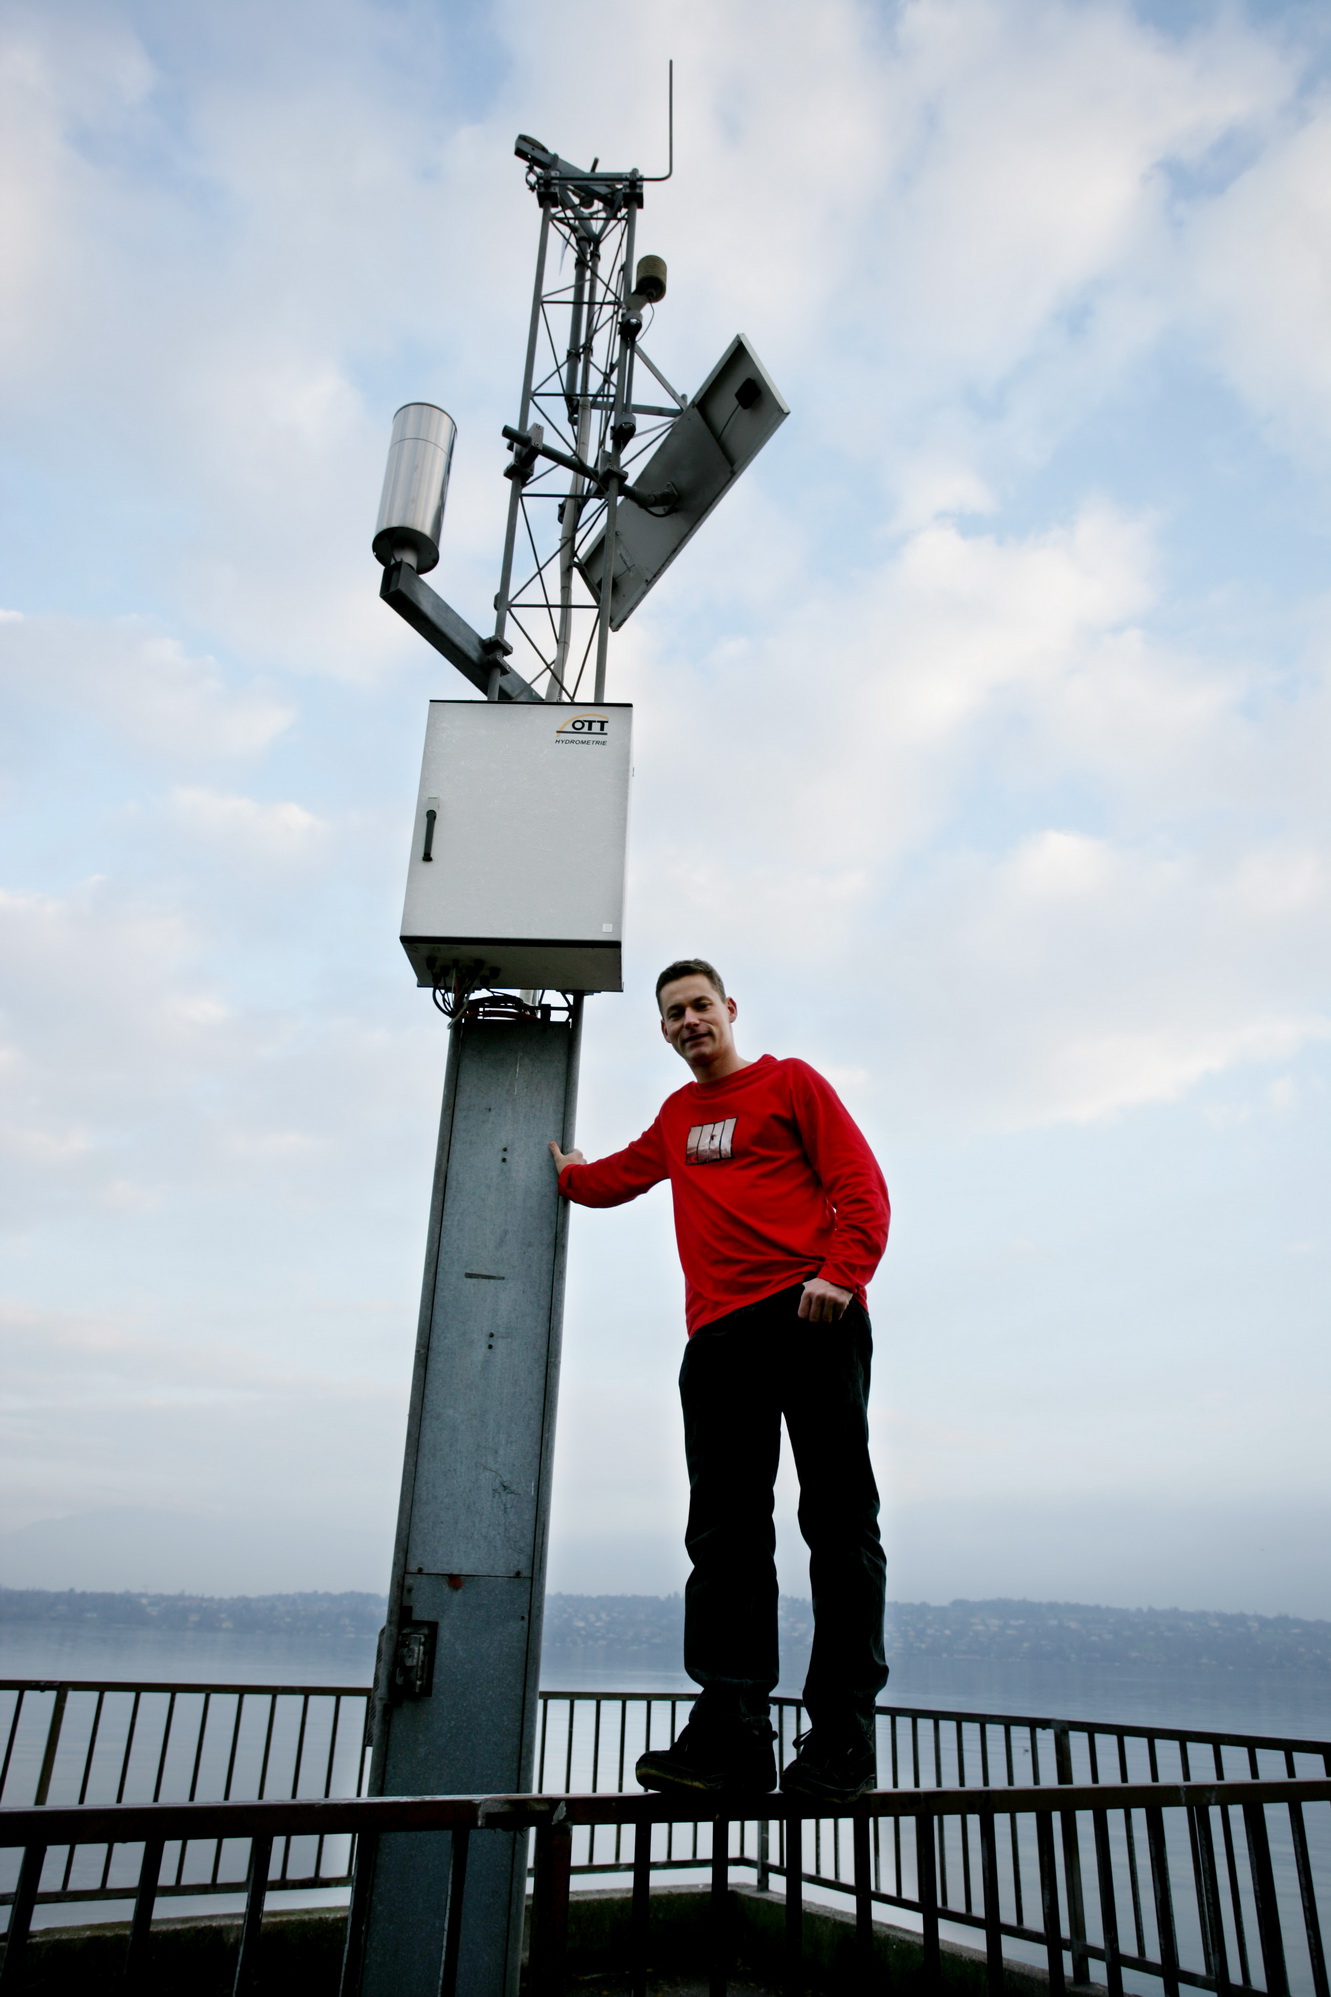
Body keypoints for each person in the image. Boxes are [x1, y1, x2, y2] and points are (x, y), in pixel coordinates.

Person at [548, 959, 890, 1802]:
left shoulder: (790, 1083)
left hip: (810, 1312)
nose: (689, 1020)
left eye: (700, 1004)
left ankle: (842, 1737)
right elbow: (618, 1177)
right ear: (664, 1031)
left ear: (729, 1008)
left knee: (837, 1523)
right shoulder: (676, 1117)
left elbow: (859, 1184)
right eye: (674, 1013)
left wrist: (841, 1274)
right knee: (725, 1536)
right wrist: (569, 1173)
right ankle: (732, 1733)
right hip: (719, 1338)